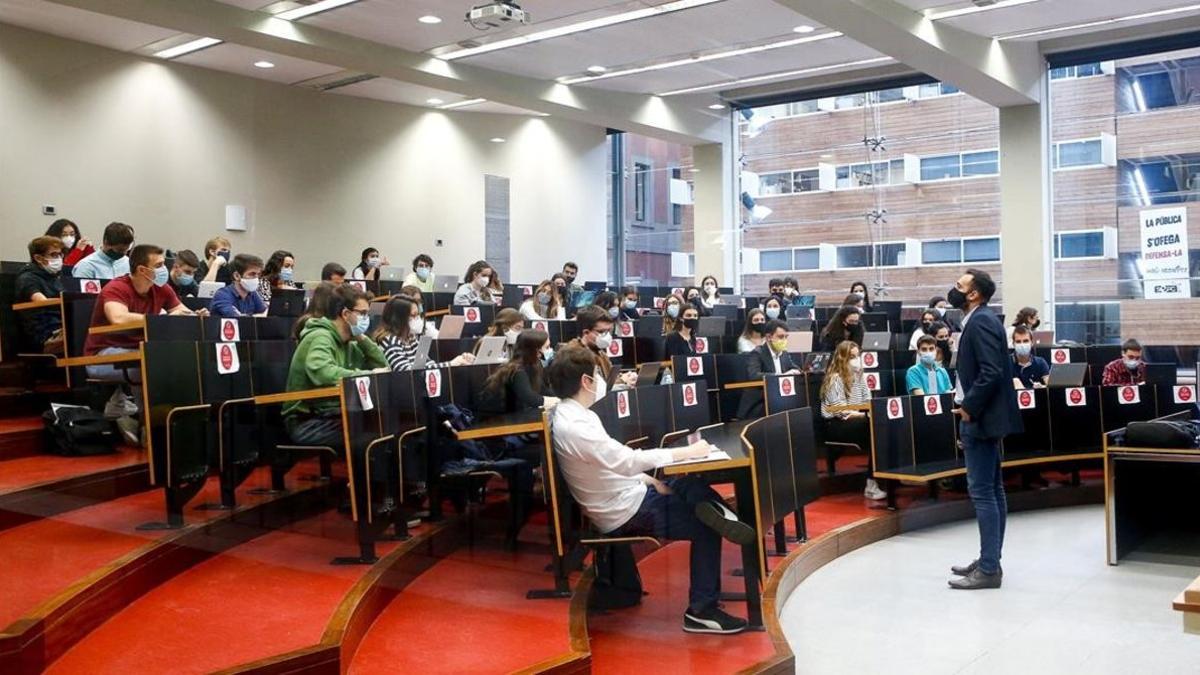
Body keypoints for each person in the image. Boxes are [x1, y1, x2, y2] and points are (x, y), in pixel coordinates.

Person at [546, 344, 754, 635]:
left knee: (687, 483)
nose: (600, 379)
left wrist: (649, 480)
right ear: (586, 381)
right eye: (596, 373)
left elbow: (611, 466)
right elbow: (626, 461)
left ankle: (723, 514)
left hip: (629, 493)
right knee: (705, 525)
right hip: (624, 511)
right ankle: (701, 611)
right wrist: (684, 454)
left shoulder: (577, 415)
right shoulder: (576, 425)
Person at [947, 268, 1022, 590]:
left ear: (974, 293)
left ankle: (990, 568)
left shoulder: (981, 322)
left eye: (959, 285)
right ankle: (989, 559)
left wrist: (969, 406)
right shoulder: (980, 321)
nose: (954, 289)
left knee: (983, 492)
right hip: (985, 417)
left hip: (980, 419)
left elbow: (990, 372)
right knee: (993, 490)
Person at [83, 244, 200, 416]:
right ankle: (148, 423)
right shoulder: (116, 288)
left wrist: (194, 315)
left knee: (179, 363)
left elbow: (180, 311)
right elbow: (119, 318)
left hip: (140, 352)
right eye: (159, 266)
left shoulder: (162, 288)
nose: (164, 270)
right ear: (142, 270)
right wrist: (160, 320)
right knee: (151, 366)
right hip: (102, 356)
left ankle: (174, 419)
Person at [282, 285, 387, 449]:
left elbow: (383, 367)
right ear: (346, 314)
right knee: (375, 432)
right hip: (307, 421)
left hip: (333, 413)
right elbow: (323, 372)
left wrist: (362, 338)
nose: (367, 319)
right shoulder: (320, 336)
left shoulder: (349, 341)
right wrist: (369, 374)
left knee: (386, 424)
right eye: (363, 313)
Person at [820, 340, 883, 500]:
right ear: (842, 358)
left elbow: (867, 401)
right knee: (873, 426)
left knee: (882, 427)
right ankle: (871, 484)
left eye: (857, 356)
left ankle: (878, 479)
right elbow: (839, 411)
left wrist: (867, 413)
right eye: (851, 357)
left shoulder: (860, 376)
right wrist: (864, 415)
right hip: (835, 424)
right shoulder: (834, 379)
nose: (856, 360)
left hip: (857, 420)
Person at [373, 296, 473, 371]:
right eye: (413, 315)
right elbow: (405, 371)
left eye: (418, 315)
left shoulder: (411, 337)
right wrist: (450, 364)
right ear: (398, 318)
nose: (418, 319)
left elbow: (427, 363)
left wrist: (459, 362)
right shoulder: (389, 340)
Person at [479, 329, 560, 415]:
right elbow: (530, 398)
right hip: (496, 420)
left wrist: (565, 395)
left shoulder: (534, 365)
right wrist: (558, 400)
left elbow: (543, 390)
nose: (550, 350)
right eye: (547, 347)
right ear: (536, 350)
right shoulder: (516, 370)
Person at [737, 320, 799, 419]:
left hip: (778, 400)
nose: (784, 340)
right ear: (769, 337)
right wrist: (779, 376)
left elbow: (794, 368)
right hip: (759, 402)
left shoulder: (784, 354)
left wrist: (797, 372)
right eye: (780, 337)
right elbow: (754, 375)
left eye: (786, 337)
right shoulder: (757, 353)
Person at [15, 236, 66, 354]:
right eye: (53, 255)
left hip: (62, 328)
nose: (58, 258)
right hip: (45, 335)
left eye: (60, 255)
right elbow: (41, 301)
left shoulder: (53, 277)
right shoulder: (27, 278)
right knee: (84, 334)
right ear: (38, 258)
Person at [567, 305, 638, 389]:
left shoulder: (600, 353)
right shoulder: (575, 356)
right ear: (586, 332)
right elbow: (593, 390)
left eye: (609, 331)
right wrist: (623, 382)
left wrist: (625, 377)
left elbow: (608, 381)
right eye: (602, 332)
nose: (607, 335)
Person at [211, 254, 268, 318]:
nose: (256, 278)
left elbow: (265, 313)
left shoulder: (253, 293)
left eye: (258, 274)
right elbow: (237, 318)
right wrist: (259, 316)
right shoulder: (222, 295)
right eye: (252, 274)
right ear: (237, 276)